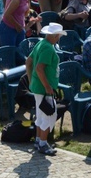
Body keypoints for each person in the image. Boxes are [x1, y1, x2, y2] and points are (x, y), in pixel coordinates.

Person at [26, 22, 66, 156]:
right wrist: (47, 86)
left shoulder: (40, 43)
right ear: (55, 36)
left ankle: (38, 140)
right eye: (59, 35)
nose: (59, 37)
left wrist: (31, 80)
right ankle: (43, 143)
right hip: (44, 89)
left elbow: (29, 62)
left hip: (38, 86)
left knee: (40, 114)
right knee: (49, 115)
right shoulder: (49, 48)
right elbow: (39, 68)